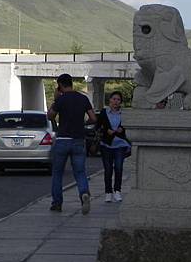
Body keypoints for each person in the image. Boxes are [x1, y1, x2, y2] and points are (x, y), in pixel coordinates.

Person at [47, 73, 97, 214]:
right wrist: (83, 124)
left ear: (60, 85)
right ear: (71, 83)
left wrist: (55, 100)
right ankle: (84, 194)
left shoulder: (61, 100)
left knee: (57, 173)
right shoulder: (83, 98)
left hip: (63, 140)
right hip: (78, 140)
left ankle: (57, 203)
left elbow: (50, 116)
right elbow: (93, 118)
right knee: (80, 172)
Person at [97, 91, 131, 203]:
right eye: (114, 99)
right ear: (110, 100)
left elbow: (127, 126)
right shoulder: (104, 112)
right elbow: (98, 126)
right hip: (106, 144)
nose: (116, 102)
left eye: (118, 100)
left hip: (120, 144)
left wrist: (122, 129)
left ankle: (117, 191)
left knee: (118, 167)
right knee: (108, 169)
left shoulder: (124, 114)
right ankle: (108, 192)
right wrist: (106, 130)